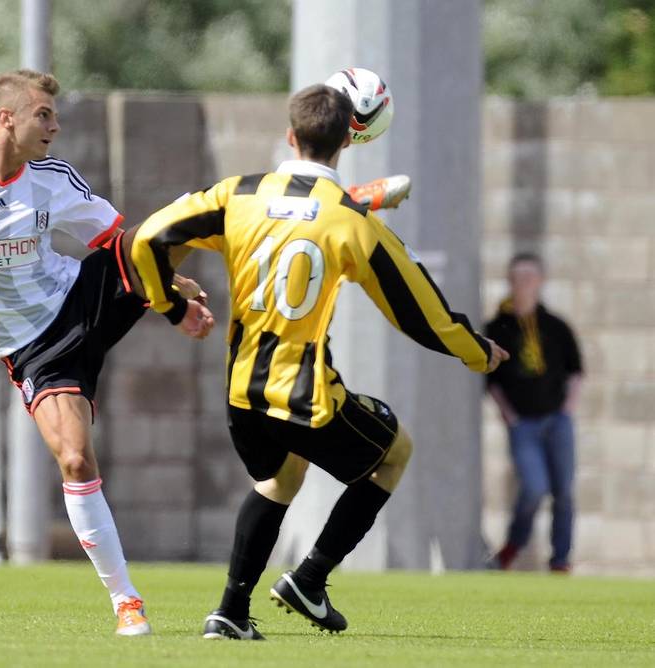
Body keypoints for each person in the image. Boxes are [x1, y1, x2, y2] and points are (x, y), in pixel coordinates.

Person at [127, 83, 509, 639]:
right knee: (394, 452)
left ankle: (230, 613)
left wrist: (171, 305)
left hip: (241, 396)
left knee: (281, 479)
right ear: (345, 143)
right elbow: (421, 313)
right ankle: (310, 578)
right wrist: (479, 353)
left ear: (290, 135)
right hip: (306, 398)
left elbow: (147, 241)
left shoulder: (238, 194)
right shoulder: (351, 222)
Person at [0, 69, 213, 637]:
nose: (55, 126)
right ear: (7, 118)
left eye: (54, 116)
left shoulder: (53, 180)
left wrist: (168, 289)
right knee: (77, 461)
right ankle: (126, 600)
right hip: (33, 350)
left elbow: (116, 239)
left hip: (79, 300)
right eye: (44, 115)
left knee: (164, 232)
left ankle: (280, 190)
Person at [485, 252, 583, 573]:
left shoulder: (556, 326)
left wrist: (568, 407)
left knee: (564, 491)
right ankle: (513, 545)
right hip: (523, 424)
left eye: (530, 277)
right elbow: (491, 380)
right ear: (510, 282)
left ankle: (560, 560)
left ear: (540, 282)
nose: (524, 283)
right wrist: (508, 415)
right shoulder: (497, 328)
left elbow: (575, 370)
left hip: (557, 420)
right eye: (518, 277)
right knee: (534, 487)